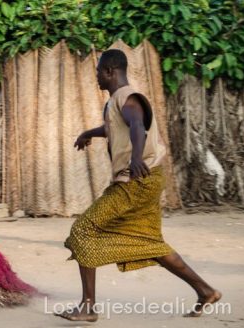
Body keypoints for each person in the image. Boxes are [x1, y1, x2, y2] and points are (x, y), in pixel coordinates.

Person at [57, 49, 221, 322]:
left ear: (109, 71)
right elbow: (115, 127)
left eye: (98, 72)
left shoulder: (127, 97)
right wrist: (89, 133)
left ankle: (88, 307)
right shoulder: (114, 103)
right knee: (149, 242)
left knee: (84, 230)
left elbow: (136, 125)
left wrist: (135, 158)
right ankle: (205, 290)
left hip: (135, 181)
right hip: (147, 179)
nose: (96, 77)